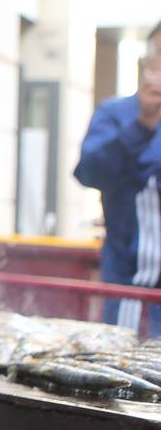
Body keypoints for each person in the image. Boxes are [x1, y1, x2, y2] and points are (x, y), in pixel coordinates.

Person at [74, 20, 161, 334]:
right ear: (148, 63)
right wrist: (142, 124)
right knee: (127, 371)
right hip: (128, 286)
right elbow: (90, 172)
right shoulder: (116, 114)